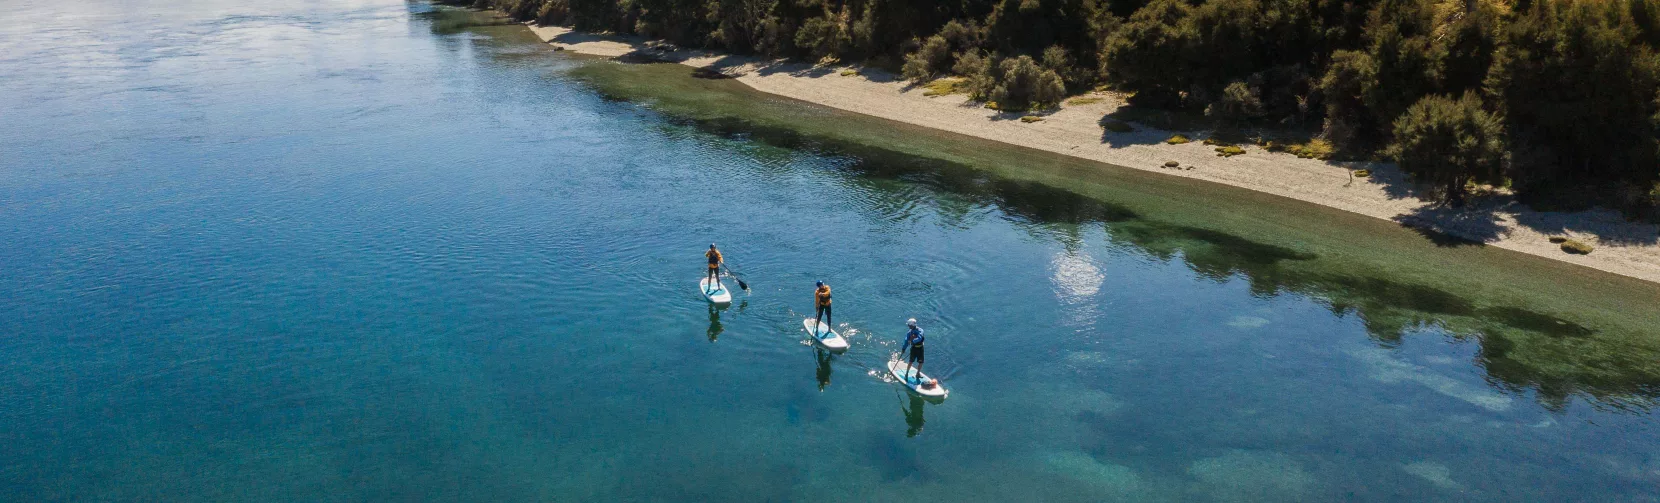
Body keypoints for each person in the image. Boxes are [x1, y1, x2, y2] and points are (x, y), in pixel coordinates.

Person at [900, 318, 933, 387]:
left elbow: (920, 338)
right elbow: (906, 341)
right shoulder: (909, 333)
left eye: (909, 325)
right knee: (911, 361)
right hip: (914, 349)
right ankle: (906, 373)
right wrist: (903, 349)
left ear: (912, 325)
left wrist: (912, 341)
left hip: (920, 348)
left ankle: (918, 373)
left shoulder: (920, 330)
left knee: (921, 362)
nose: (908, 326)